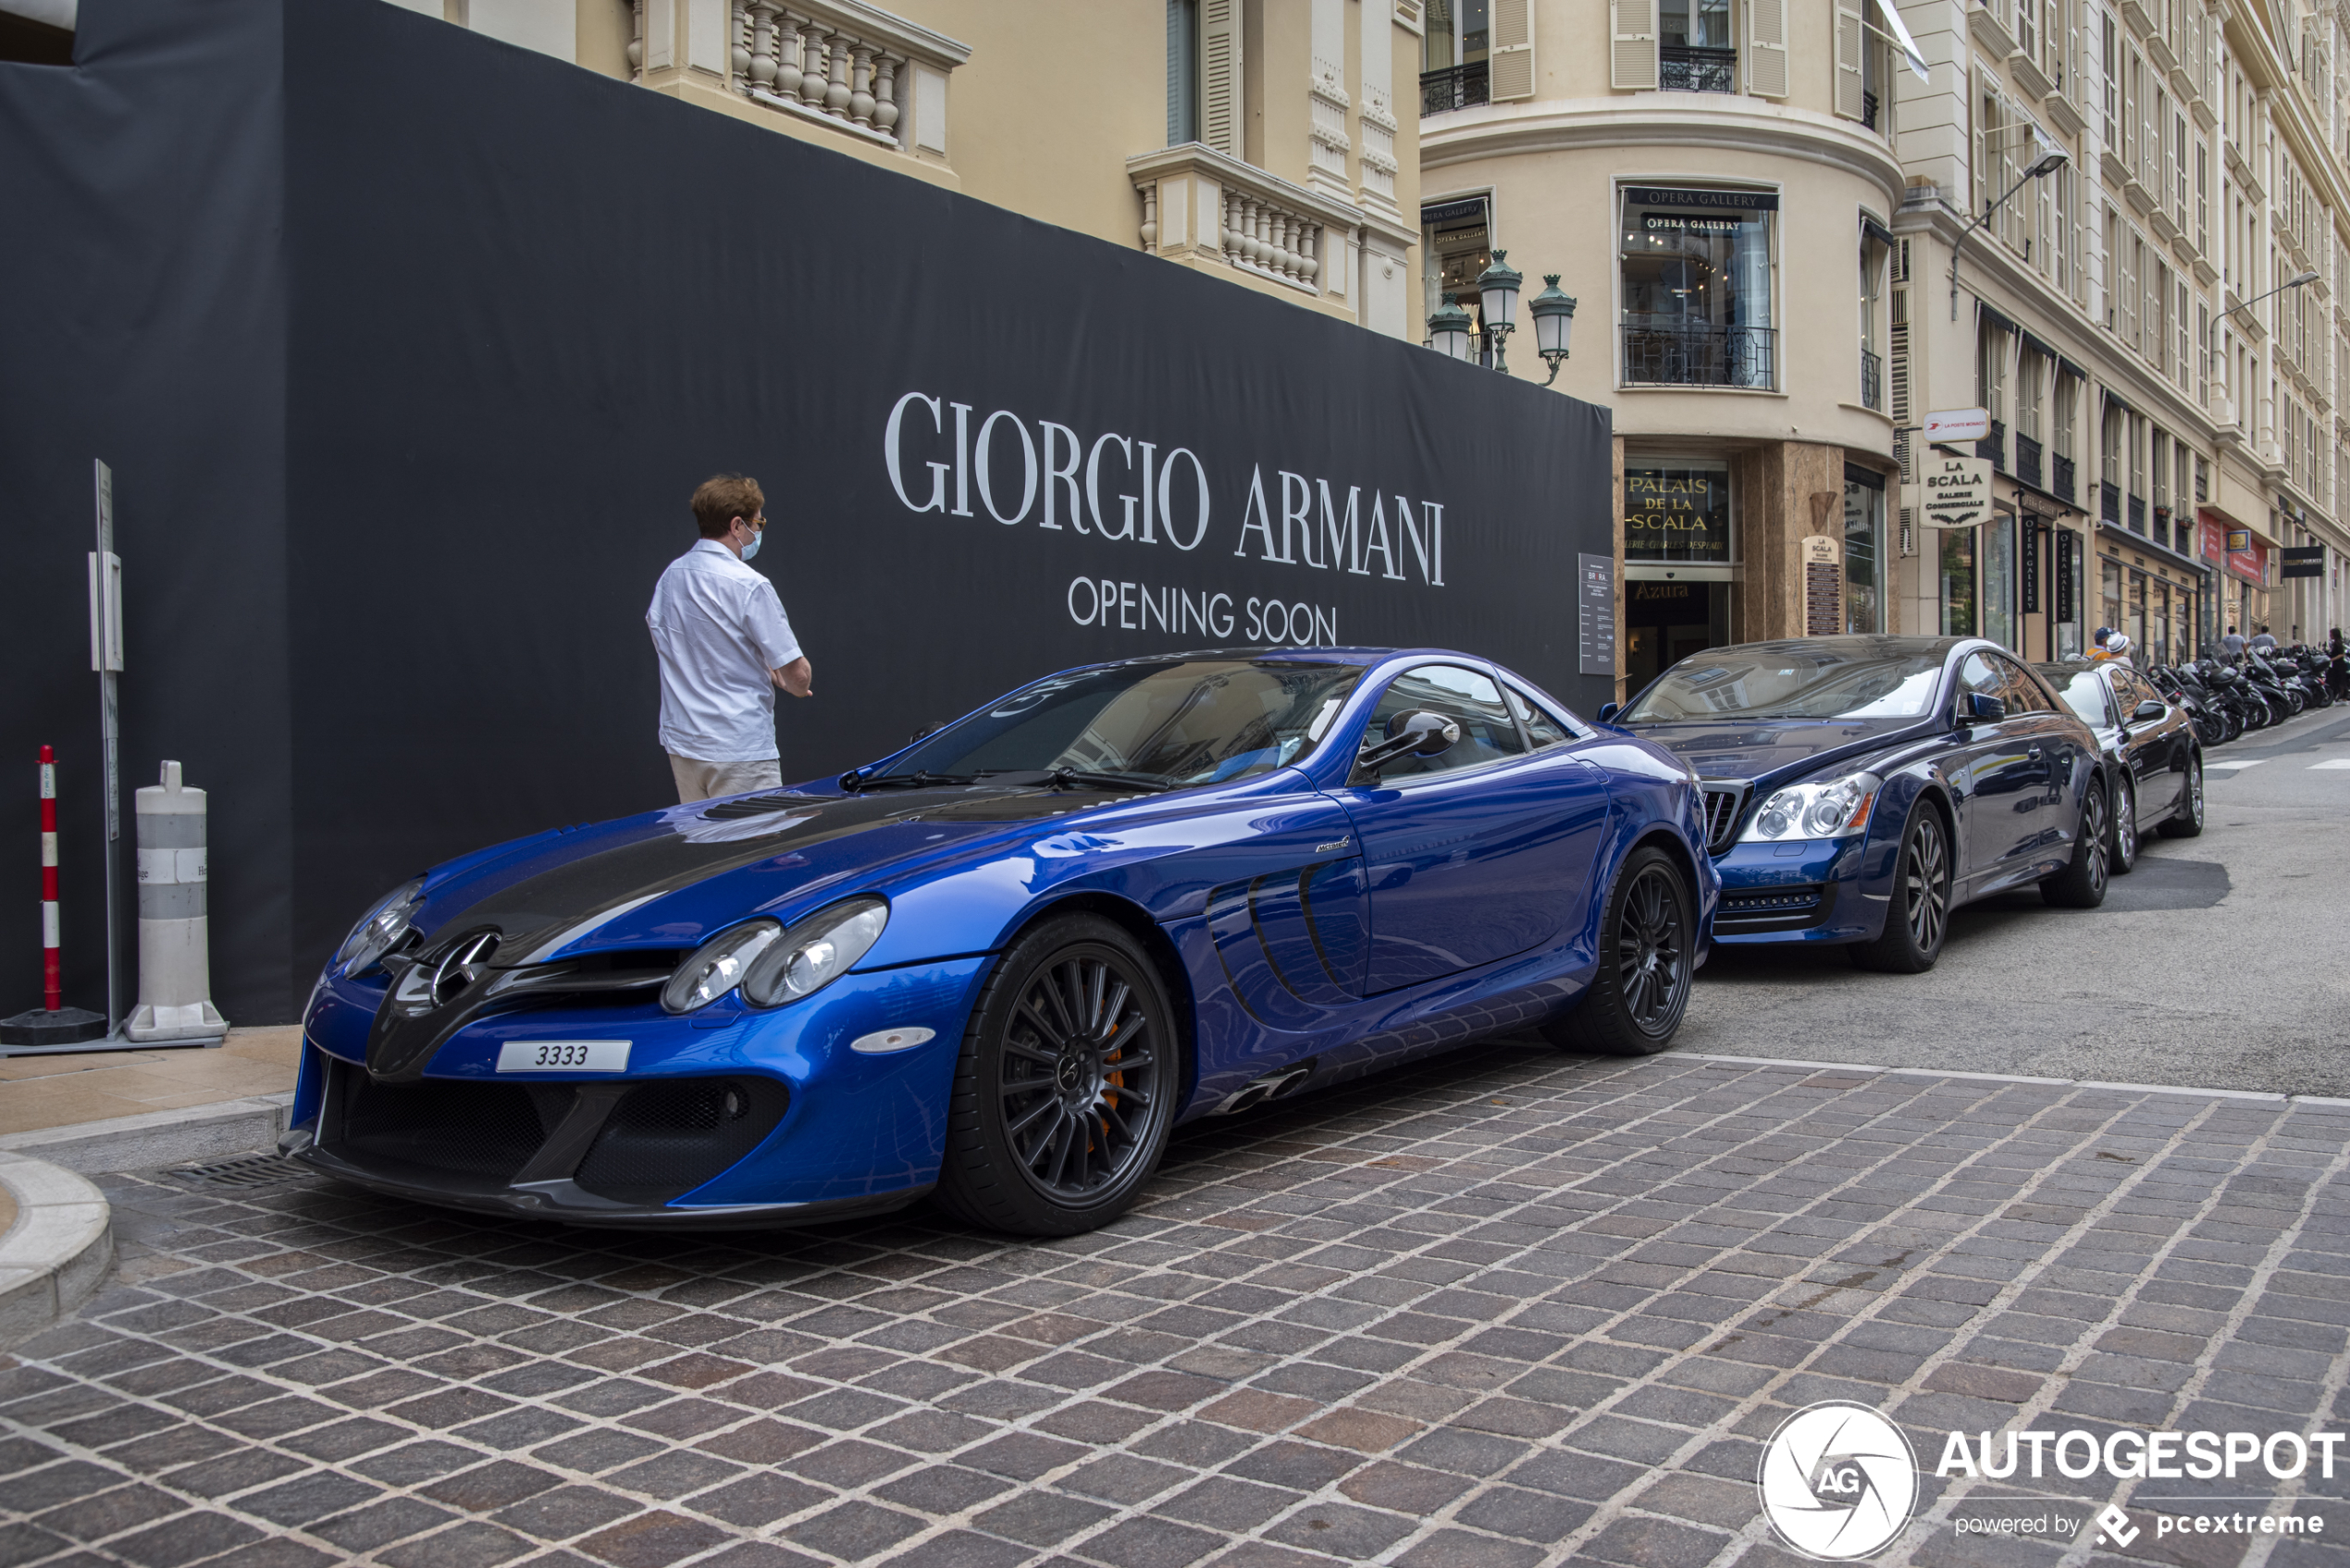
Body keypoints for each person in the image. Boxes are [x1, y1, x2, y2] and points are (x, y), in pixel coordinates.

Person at [647, 474, 813, 804]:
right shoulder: (748, 584)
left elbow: (677, 645)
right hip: (739, 750)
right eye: (758, 522)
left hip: (684, 744)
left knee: (708, 852)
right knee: (755, 849)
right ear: (738, 525)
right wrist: (791, 682)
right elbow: (797, 675)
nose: (759, 531)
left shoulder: (670, 577)